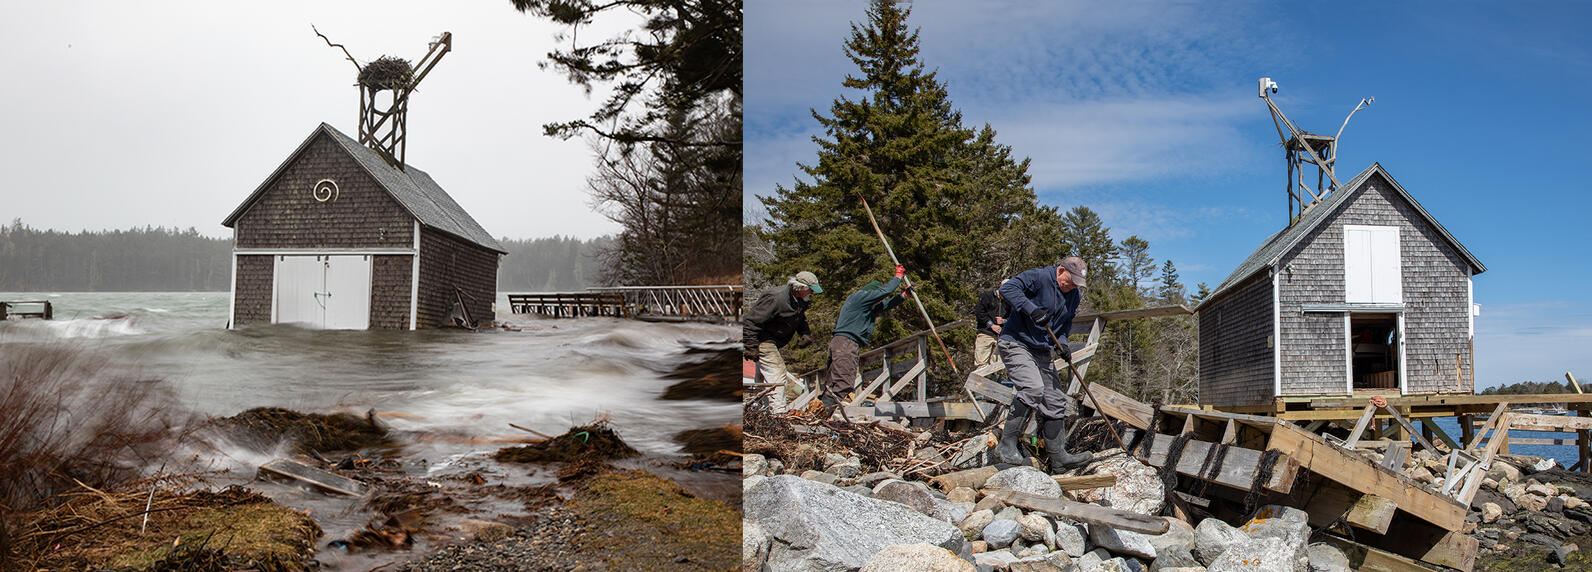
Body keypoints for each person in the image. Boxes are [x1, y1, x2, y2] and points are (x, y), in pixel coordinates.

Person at [994, 256, 1091, 472]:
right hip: (1016, 342)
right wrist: (1032, 309)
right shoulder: (1038, 277)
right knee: (1032, 388)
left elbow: (1064, 326)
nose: (1073, 286)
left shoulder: (1073, 295)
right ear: (1060, 271)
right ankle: (1006, 446)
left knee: (1056, 400)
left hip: (1042, 350)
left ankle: (1059, 458)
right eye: (1070, 280)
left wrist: (1063, 345)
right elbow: (1008, 289)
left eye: (1077, 283)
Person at [819, 264, 914, 419]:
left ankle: (819, 414)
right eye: (875, 300)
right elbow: (885, 292)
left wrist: (904, 296)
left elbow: (886, 305)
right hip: (846, 344)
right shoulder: (860, 297)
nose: (877, 305)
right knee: (844, 383)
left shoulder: (864, 307)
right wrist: (898, 277)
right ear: (871, 295)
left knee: (834, 383)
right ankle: (820, 414)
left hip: (841, 343)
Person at [744, 271, 822, 412]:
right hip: (763, 339)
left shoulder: (800, 300)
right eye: (810, 289)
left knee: (763, 377)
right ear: (799, 288)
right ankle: (778, 413)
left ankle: (761, 409)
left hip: (774, 341)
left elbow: (800, 317)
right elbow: (750, 321)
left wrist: (804, 332)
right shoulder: (775, 298)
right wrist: (751, 345)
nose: (812, 293)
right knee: (778, 374)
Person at [973, 279, 1009, 369]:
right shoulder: (986, 296)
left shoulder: (1009, 302)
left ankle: (993, 382)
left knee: (997, 366)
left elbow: (1012, 317)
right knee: (981, 364)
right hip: (985, 333)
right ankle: (980, 382)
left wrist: (1004, 321)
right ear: (1000, 287)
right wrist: (991, 325)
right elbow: (979, 313)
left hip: (1001, 336)